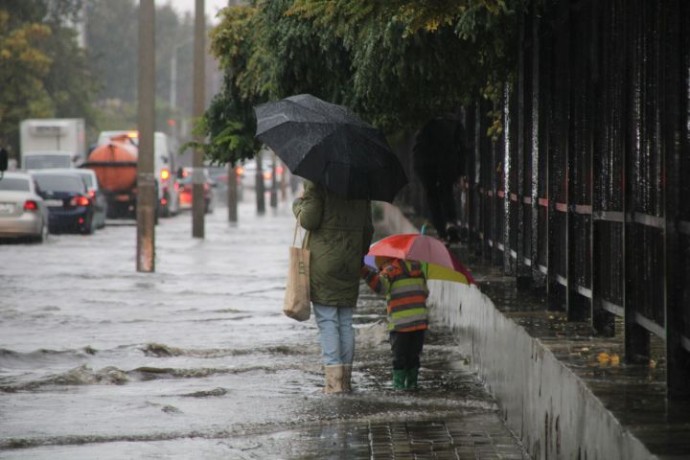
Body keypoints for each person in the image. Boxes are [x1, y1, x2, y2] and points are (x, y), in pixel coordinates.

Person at [293, 179, 374, 394]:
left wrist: (297, 205)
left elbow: (309, 220)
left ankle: (333, 383)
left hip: (324, 261)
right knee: (345, 322)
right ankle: (345, 381)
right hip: (351, 259)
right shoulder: (362, 184)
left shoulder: (317, 180)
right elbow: (368, 229)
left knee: (328, 320)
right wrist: (358, 254)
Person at [360, 257, 429, 390]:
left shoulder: (391, 270)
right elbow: (425, 293)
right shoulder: (418, 269)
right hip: (419, 322)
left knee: (399, 358)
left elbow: (380, 288)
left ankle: (398, 388)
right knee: (414, 355)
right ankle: (412, 384)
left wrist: (366, 273)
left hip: (400, 324)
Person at [412, 114, 466, 244]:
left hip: (426, 165)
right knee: (446, 191)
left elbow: (417, 147)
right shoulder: (454, 124)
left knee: (432, 196)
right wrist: (460, 172)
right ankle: (450, 222)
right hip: (447, 164)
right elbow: (462, 149)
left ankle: (442, 231)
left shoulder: (424, 123)